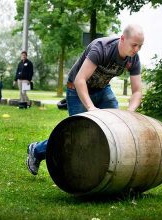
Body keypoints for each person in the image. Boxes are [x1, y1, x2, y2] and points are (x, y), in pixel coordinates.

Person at [26, 24, 144, 175]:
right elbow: (80, 80)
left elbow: (137, 91)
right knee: (77, 134)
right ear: (122, 39)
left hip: (102, 89)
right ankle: (37, 150)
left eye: (140, 46)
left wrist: (130, 112)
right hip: (77, 88)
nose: (137, 50)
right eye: (134, 45)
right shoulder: (102, 47)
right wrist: (91, 108)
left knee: (115, 128)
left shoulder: (133, 58)